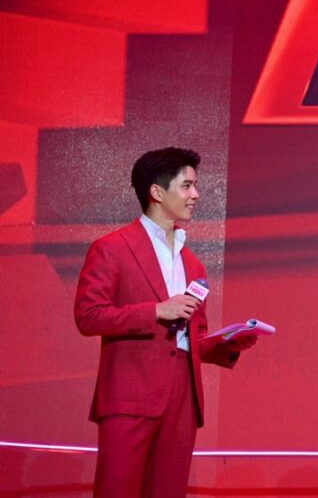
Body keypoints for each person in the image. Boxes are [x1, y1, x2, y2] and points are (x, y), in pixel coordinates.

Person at [74, 147, 256, 498]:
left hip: (182, 399)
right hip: (130, 396)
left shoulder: (193, 264)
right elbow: (88, 315)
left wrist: (228, 343)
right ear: (157, 192)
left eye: (195, 186)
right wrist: (156, 311)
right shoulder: (112, 248)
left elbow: (193, 337)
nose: (195, 195)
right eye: (186, 186)